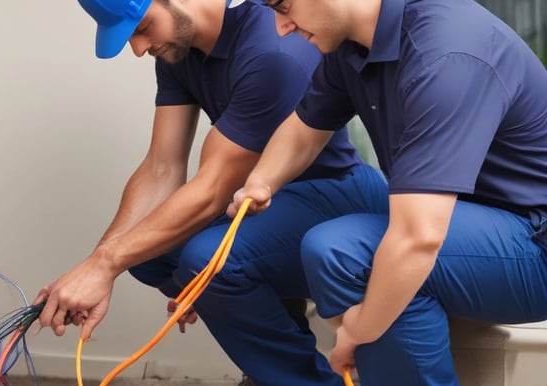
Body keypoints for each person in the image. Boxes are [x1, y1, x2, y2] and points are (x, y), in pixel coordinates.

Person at [36, 0, 389, 384]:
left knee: (206, 261)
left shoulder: (271, 50)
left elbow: (212, 190)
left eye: (141, 28)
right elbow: (161, 167)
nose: (138, 49)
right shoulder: (179, 52)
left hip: (337, 194)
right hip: (259, 204)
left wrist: (103, 266)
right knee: (146, 255)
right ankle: (271, 361)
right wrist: (98, 264)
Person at [229, 0, 547, 384]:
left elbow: (418, 239)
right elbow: (304, 128)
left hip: (535, 244)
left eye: (284, 6)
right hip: (479, 229)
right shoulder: (354, 44)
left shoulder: (445, 52)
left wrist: (356, 333)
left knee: (345, 251)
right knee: (334, 249)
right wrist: (261, 181)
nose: (281, 27)